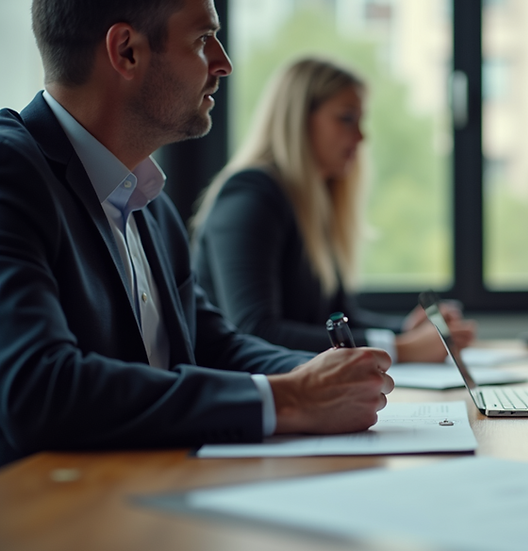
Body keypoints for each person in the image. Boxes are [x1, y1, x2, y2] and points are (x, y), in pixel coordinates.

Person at [0, 0, 394, 467]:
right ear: (126, 51)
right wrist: (287, 398)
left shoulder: (148, 201)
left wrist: (318, 374)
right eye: (203, 39)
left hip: (153, 493)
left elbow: (214, 344)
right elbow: (37, 389)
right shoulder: (12, 171)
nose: (223, 63)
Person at [191, 57, 475, 363]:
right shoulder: (250, 196)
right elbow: (256, 330)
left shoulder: (312, 202)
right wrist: (400, 349)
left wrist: (405, 330)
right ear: (299, 119)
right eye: (347, 118)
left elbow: (338, 320)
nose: (362, 136)